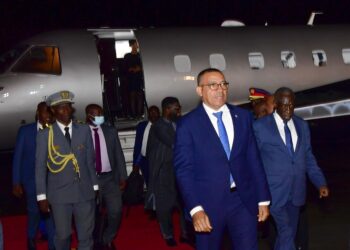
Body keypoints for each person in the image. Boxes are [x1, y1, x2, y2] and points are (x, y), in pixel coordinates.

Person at [174, 68, 271, 250]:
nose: (220, 89)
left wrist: (263, 199)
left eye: (223, 84)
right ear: (199, 91)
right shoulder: (188, 124)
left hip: (242, 201)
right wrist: (195, 209)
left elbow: (253, 160)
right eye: (213, 85)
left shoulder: (242, 117)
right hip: (207, 204)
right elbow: (183, 170)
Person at [253, 87, 330, 250]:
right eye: (284, 105)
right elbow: (253, 160)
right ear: (275, 104)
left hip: (296, 191)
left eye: (291, 105)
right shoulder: (261, 126)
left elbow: (308, 157)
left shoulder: (302, 125)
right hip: (273, 191)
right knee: (286, 231)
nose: (288, 109)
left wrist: (320, 183)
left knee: (287, 234)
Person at [35, 90, 98, 250]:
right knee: (63, 236)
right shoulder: (45, 135)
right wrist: (41, 196)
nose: (66, 111)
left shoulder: (83, 130)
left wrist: (95, 186)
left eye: (68, 107)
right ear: (53, 110)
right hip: (59, 194)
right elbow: (40, 167)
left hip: (84, 191)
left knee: (86, 236)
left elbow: (89, 160)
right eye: (61, 108)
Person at [146, 97, 191, 247]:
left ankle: (186, 233)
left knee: (185, 203)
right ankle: (168, 234)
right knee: (164, 207)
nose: (179, 111)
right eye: (176, 109)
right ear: (167, 109)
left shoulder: (178, 122)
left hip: (179, 169)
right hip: (163, 171)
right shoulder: (158, 126)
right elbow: (175, 143)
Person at [12, 102, 55, 250]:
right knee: (34, 212)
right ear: (38, 112)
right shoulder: (25, 131)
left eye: (50, 113)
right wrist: (16, 182)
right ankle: (30, 238)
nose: (48, 116)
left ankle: (52, 245)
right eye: (45, 112)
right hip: (31, 181)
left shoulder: (56, 131)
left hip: (52, 181)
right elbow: (17, 157)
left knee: (51, 214)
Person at [85, 104, 127, 250]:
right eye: (95, 114)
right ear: (88, 115)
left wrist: (123, 176)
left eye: (100, 113)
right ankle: (91, 241)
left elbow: (118, 154)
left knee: (116, 211)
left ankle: (107, 238)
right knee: (90, 215)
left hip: (110, 179)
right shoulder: (81, 133)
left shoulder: (110, 131)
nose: (99, 117)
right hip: (90, 181)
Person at [132, 105, 160, 186]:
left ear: (159, 114)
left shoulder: (163, 126)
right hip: (145, 161)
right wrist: (136, 164)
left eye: (155, 112)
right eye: (151, 112)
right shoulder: (141, 126)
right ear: (148, 114)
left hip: (160, 161)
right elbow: (137, 145)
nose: (153, 114)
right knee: (149, 184)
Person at [124, 40, 144, 118]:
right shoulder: (127, 56)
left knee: (140, 95)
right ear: (132, 45)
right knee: (132, 96)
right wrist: (132, 69)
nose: (137, 45)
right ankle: (133, 114)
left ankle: (139, 114)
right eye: (136, 43)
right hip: (131, 79)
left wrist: (140, 69)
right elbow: (125, 68)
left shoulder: (140, 55)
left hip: (139, 78)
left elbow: (142, 66)